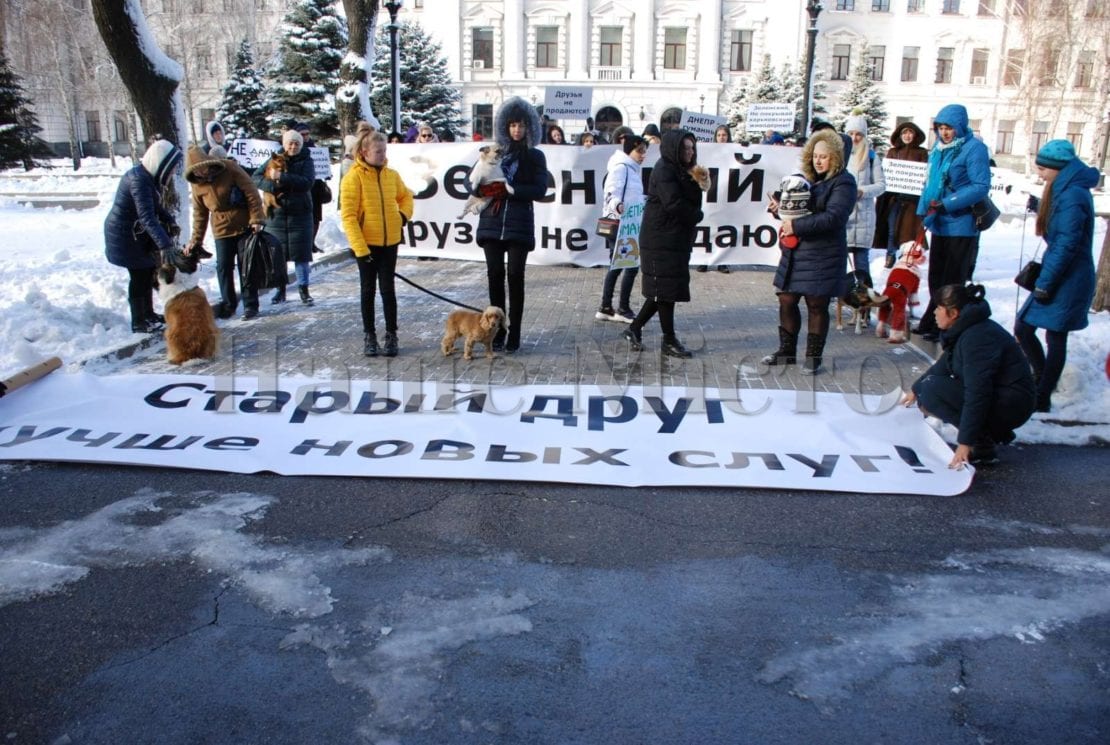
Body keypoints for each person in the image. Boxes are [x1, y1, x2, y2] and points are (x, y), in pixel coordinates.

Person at [902, 283, 1036, 468]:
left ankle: (981, 443)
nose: (934, 313)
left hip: (1012, 404)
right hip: (1003, 397)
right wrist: (915, 389)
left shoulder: (977, 338)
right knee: (927, 388)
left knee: (933, 390)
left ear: (953, 313)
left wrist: (965, 442)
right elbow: (944, 364)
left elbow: (978, 392)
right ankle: (985, 434)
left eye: (938, 308)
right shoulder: (966, 329)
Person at [1013, 140, 1099, 413]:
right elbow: (1062, 226)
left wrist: (1045, 283)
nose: (1039, 174)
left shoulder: (1073, 195)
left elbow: (1066, 244)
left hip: (1068, 276)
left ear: (1057, 168)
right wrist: (1040, 205)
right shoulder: (1066, 188)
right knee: (1025, 328)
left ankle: (1043, 394)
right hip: (1061, 271)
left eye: (1042, 169)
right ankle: (1041, 380)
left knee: (1053, 335)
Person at [762, 128, 856, 374]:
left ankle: (813, 357)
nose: (818, 160)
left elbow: (834, 217)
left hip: (824, 253)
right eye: (815, 155)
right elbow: (794, 209)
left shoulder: (844, 182)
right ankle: (787, 351)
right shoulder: (806, 179)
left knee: (816, 304)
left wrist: (795, 225)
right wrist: (779, 209)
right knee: (786, 298)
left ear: (835, 157)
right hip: (797, 251)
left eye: (824, 156)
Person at [474, 96, 548, 353]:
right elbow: (470, 182)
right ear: (506, 127)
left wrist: (511, 190)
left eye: (521, 126)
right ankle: (498, 330)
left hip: (519, 224)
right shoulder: (493, 152)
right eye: (513, 125)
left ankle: (514, 330)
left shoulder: (535, 156)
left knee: (515, 277)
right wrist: (482, 186)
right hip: (492, 222)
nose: (516, 130)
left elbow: (540, 188)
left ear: (529, 128)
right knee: (495, 276)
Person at [621, 129, 704, 358]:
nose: (689, 152)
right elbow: (674, 204)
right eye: (685, 148)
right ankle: (668, 340)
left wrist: (700, 182)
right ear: (674, 149)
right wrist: (697, 215)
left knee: (664, 290)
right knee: (664, 291)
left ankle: (634, 329)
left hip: (673, 238)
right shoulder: (665, 168)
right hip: (660, 239)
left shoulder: (684, 170)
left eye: (692, 148)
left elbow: (689, 199)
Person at [913, 103, 991, 342]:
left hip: (961, 222)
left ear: (960, 126)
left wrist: (949, 202)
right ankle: (933, 318)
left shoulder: (974, 149)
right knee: (936, 277)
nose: (945, 132)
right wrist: (923, 212)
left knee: (952, 278)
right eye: (940, 128)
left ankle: (949, 325)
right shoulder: (938, 148)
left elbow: (980, 186)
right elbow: (931, 183)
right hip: (939, 220)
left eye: (949, 128)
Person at [340, 127, 414, 358]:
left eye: (384, 151)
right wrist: (360, 249)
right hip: (367, 244)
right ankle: (369, 336)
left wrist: (402, 215)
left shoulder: (391, 175)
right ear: (364, 151)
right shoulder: (354, 177)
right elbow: (349, 216)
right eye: (378, 151)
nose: (383, 155)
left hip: (390, 242)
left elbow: (406, 196)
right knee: (368, 290)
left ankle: (391, 335)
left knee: (388, 290)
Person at [104, 138, 183, 333]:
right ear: (160, 162)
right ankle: (139, 321)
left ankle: (148, 314)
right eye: (171, 168)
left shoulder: (146, 178)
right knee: (139, 276)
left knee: (147, 272)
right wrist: (165, 245)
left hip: (135, 235)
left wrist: (170, 220)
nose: (172, 173)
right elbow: (147, 217)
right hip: (125, 237)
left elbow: (155, 208)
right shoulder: (139, 180)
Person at [183, 145, 267, 320]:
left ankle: (251, 305)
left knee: (247, 266)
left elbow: (251, 192)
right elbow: (200, 214)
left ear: (208, 162)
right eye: (197, 172)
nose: (202, 174)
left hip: (245, 225)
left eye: (203, 168)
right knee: (223, 267)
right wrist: (195, 240)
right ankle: (229, 304)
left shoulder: (229, 168)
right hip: (221, 230)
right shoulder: (197, 185)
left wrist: (256, 219)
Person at [254, 128, 316, 305]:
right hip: (277, 216)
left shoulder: (306, 160)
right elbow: (255, 177)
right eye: (290, 143)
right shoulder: (274, 158)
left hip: (300, 214)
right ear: (284, 144)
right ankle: (280, 290)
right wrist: (271, 186)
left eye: (297, 143)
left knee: (301, 256)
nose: (293, 146)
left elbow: (307, 182)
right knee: (278, 256)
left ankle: (304, 290)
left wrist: (283, 177)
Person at [596, 134, 647, 324]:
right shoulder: (621, 168)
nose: (643, 155)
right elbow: (611, 193)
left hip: (628, 224)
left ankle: (606, 307)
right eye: (639, 151)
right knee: (630, 265)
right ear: (629, 151)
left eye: (644, 151)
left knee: (617, 265)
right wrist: (618, 206)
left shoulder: (631, 169)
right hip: (621, 225)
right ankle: (622, 308)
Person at [873, 122, 929, 268]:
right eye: (904, 133)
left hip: (913, 201)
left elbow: (924, 174)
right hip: (895, 198)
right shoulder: (893, 152)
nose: (907, 136)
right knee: (892, 228)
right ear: (900, 135)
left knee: (909, 231)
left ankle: (906, 256)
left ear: (915, 135)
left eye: (910, 133)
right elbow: (888, 173)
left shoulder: (921, 153)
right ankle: (890, 255)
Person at [842, 112, 886, 287]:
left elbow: (881, 185)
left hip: (864, 217)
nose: (854, 137)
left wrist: (862, 191)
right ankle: (835, 293)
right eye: (851, 133)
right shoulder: (840, 155)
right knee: (838, 261)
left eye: (858, 134)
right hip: (845, 214)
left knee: (861, 262)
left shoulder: (871, 157)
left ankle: (865, 298)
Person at [293, 122, 329, 255]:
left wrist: (326, 173)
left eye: (307, 134)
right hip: (303, 189)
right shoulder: (296, 150)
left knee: (316, 218)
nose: (306, 137)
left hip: (316, 188)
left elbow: (321, 165)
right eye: (303, 134)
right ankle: (304, 243)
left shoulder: (315, 149)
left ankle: (311, 242)